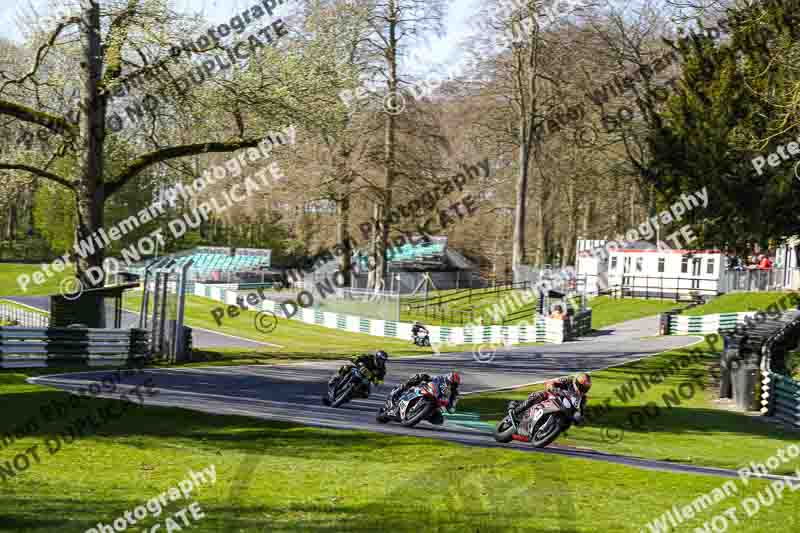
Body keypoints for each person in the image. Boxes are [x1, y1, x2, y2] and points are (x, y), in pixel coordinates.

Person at [510, 373, 592, 424]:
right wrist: (553, 389)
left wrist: (579, 418)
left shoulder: (583, 398)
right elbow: (550, 382)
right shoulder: (568, 380)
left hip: (563, 410)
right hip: (552, 397)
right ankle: (517, 410)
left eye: (585, 388)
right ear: (577, 383)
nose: (583, 390)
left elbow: (581, 411)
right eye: (582, 387)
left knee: (567, 423)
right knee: (540, 395)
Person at [388, 371, 461, 424]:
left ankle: (419, 415)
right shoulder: (440, 379)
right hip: (428, 391)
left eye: (454, 384)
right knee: (419, 377)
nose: (452, 385)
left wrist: (450, 406)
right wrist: (424, 377)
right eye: (451, 383)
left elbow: (451, 408)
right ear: (448, 379)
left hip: (436, 403)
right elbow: (430, 378)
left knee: (439, 420)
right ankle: (399, 390)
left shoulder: (454, 393)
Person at [324, 350, 388, 405]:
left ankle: (347, 397)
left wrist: (376, 381)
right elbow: (356, 357)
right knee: (346, 367)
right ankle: (337, 379)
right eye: (381, 360)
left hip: (366, 380)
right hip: (358, 370)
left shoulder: (382, 369)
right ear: (377, 357)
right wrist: (356, 360)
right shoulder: (369, 357)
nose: (381, 362)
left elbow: (380, 381)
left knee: (366, 394)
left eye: (383, 360)